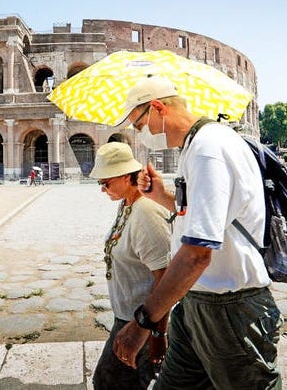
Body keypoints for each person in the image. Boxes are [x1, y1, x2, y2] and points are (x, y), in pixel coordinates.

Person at [111, 76, 282, 389]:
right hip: (197, 302)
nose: (139, 135)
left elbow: (197, 254)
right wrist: (161, 196)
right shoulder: (196, 145)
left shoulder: (208, 148)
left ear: (157, 108)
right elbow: (202, 219)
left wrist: (143, 322)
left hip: (230, 308)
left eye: (138, 125)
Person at [89, 142, 171, 390]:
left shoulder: (146, 211)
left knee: (110, 382)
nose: (102, 189)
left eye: (106, 183)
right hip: (127, 316)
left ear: (126, 177)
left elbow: (165, 277)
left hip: (143, 321)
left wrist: (157, 333)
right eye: (99, 183)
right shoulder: (127, 204)